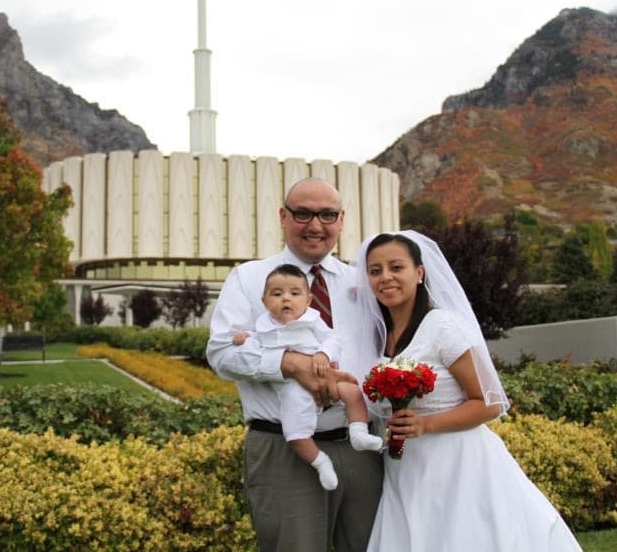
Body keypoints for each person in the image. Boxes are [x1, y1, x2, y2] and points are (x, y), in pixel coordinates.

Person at [358, 231, 583, 552]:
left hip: (459, 464)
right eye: (375, 271)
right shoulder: (380, 335)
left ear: (419, 273)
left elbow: (489, 402)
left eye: (396, 267)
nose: (386, 278)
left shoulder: (443, 327)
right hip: (406, 467)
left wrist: (426, 424)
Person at [207, 177, 383, 552]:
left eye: (327, 214)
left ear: (342, 219)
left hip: (360, 449)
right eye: (303, 213)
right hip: (283, 450)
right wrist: (290, 364)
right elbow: (221, 353)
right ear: (283, 216)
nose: (315, 225)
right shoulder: (249, 277)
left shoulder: (363, 282)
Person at [232, 263, 384, 490]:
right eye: (277, 294)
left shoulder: (312, 320)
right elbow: (252, 349)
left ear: (308, 300)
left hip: (326, 374)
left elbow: (332, 339)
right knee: (295, 435)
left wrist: (324, 353)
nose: (286, 299)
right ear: (264, 301)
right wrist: (245, 339)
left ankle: (358, 432)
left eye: (294, 294)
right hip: (293, 389)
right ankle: (320, 462)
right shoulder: (262, 326)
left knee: (352, 391)